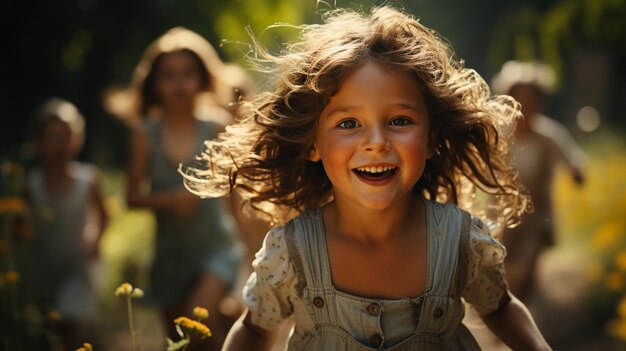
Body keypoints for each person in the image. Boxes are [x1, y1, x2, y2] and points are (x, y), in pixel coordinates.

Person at [181, 6, 551, 350]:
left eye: (399, 121)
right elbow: (255, 328)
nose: (376, 143)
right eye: (348, 124)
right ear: (313, 144)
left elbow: (500, 307)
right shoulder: (290, 252)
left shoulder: (462, 242)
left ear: (432, 139)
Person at [111, 27, 243, 350]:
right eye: (169, 75)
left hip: (218, 248)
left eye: (187, 74)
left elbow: (237, 191)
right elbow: (131, 197)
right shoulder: (145, 135)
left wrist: (249, 247)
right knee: (181, 342)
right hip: (169, 257)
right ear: (154, 84)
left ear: (202, 78)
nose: (179, 83)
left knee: (197, 321)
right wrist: (171, 200)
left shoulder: (218, 126)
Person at [492, 60, 586, 302]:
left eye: (532, 100)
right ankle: (511, 311)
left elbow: (572, 159)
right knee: (501, 268)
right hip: (503, 216)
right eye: (520, 99)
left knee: (526, 269)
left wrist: (576, 173)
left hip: (537, 216)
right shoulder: (498, 134)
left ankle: (520, 313)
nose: (526, 107)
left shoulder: (548, 135)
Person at [24, 97, 109, 349]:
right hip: (45, 265)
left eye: (66, 135)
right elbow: (22, 222)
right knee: (49, 325)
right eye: (52, 137)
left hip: (78, 266)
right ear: (39, 143)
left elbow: (104, 216)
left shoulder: (88, 180)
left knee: (68, 321)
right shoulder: (32, 185)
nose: (60, 144)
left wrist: (95, 238)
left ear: (76, 139)